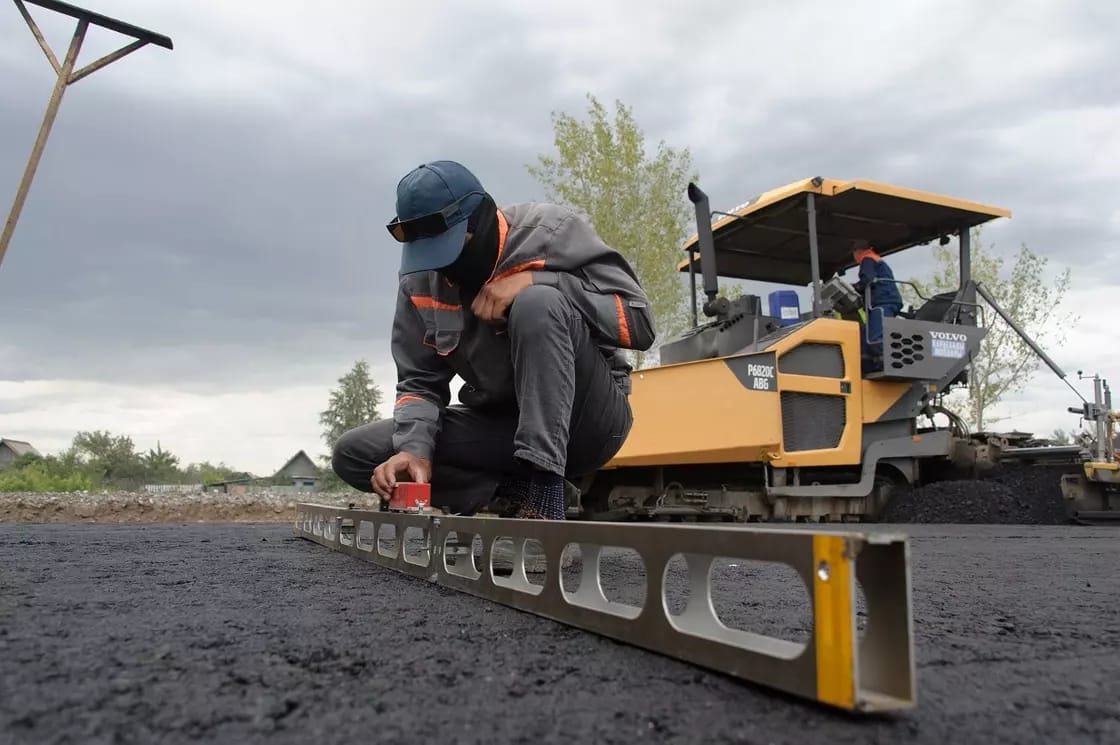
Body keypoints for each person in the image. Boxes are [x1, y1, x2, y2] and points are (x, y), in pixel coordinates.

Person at [331, 160, 656, 529]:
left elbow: (640, 324)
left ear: (479, 221)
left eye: (449, 251)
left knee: (539, 304)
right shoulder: (419, 282)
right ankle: (512, 491)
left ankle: (544, 501)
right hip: (505, 426)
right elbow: (419, 383)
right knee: (356, 454)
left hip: (589, 421)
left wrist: (537, 282)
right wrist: (414, 451)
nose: (442, 269)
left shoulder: (552, 233)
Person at [851, 239, 903, 368]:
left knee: (876, 336)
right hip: (886, 300)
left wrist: (856, 287)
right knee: (868, 334)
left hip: (882, 301)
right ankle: (870, 363)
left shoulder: (867, 260)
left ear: (858, 252)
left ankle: (885, 364)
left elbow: (868, 279)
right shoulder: (877, 260)